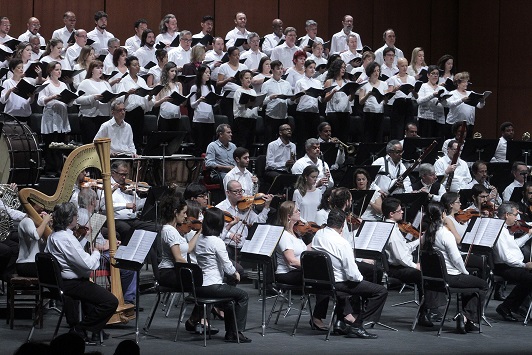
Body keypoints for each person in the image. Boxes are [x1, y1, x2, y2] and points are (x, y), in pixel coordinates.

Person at [45, 202, 118, 344]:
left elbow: (73, 252)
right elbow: (88, 264)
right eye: (75, 216)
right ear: (69, 219)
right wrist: (97, 252)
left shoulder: (54, 236)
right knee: (111, 302)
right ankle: (80, 329)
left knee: (91, 301)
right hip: (72, 284)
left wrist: (85, 238)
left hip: (62, 282)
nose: (77, 219)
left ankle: (95, 331)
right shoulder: (66, 239)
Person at [311, 208, 388, 339]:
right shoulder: (342, 243)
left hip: (322, 282)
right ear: (342, 225)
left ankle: (340, 322)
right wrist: (362, 279)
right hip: (339, 284)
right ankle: (357, 326)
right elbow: (353, 276)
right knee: (380, 291)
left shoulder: (318, 235)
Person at [422, 202, 488, 333]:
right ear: (443, 215)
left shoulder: (426, 234)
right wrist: (465, 272)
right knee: (482, 284)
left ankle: (466, 318)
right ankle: (466, 317)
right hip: (451, 277)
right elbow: (456, 259)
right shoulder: (445, 234)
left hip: (434, 278)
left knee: (470, 285)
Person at [194, 207, 251, 343]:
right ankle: (237, 332)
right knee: (243, 296)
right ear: (219, 223)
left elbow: (219, 238)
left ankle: (230, 334)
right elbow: (227, 265)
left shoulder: (200, 239)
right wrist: (235, 274)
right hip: (213, 286)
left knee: (230, 300)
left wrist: (230, 225)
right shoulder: (216, 242)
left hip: (198, 286)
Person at [157, 193, 208, 334]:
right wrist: (196, 270)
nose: (186, 216)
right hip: (168, 272)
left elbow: (188, 248)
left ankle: (196, 320)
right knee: (206, 284)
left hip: (176, 271)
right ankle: (197, 320)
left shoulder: (174, 230)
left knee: (207, 283)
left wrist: (199, 232)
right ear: (175, 212)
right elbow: (179, 258)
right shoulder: (169, 231)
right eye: (184, 212)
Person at [382, 197, 434, 328]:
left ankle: (428, 310)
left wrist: (420, 240)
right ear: (391, 214)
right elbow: (400, 257)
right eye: (399, 211)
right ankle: (425, 313)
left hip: (400, 264)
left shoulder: (392, 226)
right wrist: (415, 266)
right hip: (397, 268)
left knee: (425, 272)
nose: (402, 212)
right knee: (423, 276)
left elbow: (404, 248)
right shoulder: (392, 232)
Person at [100, 160, 158, 246]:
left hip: (132, 219)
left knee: (154, 227)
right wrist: (125, 205)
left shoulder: (128, 188)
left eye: (126, 175)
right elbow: (104, 207)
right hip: (115, 219)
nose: (124, 177)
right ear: (113, 173)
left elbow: (136, 205)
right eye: (122, 174)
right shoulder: (105, 185)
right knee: (127, 230)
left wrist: (149, 198)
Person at [216, 180, 272, 256]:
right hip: (227, 246)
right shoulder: (219, 208)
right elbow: (214, 230)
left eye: (241, 191)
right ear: (228, 193)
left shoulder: (245, 206)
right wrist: (229, 235)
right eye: (236, 191)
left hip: (244, 247)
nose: (240, 193)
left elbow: (259, 222)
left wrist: (266, 206)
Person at [37, 61, 72, 176]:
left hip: (61, 116)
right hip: (51, 117)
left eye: (60, 69)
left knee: (61, 144)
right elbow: (40, 101)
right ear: (50, 71)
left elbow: (70, 103)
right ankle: (50, 169)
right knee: (50, 144)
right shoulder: (47, 84)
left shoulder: (63, 84)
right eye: (57, 69)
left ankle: (60, 168)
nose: (59, 72)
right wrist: (52, 97)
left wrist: (70, 99)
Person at [115, 55, 154, 150]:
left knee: (139, 137)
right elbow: (118, 99)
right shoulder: (124, 80)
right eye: (134, 65)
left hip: (140, 111)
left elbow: (144, 97)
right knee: (129, 137)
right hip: (129, 113)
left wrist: (149, 96)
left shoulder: (141, 80)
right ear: (128, 67)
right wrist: (128, 93)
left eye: (138, 65)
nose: (137, 67)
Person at [75, 60, 112, 144]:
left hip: (104, 116)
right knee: (90, 142)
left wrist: (112, 99)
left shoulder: (106, 84)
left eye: (101, 68)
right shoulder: (85, 83)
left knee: (102, 143)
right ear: (92, 70)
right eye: (97, 68)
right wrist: (93, 97)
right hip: (89, 117)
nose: (100, 70)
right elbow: (78, 100)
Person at [445, 72, 485, 138]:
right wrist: (462, 100)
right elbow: (449, 104)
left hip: (468, 124)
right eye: (464, 82)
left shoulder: (471, 93)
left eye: (467, 82)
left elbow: (479, 106)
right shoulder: (453, 93)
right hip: (454, 124)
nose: (466, 84)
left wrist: (482, 101)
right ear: (458, 83)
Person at [260, 60, 293, 143]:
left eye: (281, 69)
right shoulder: (266, 84)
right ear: (272, 70)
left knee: (284, 141)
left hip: (283, 116)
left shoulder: (287, 84)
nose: (280, 71)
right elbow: (262, 102)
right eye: (278, 69)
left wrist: (293, 99)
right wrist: (270, 97)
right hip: (271, 117)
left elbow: (289, 102)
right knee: (270, 141)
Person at [323, 59, 353, 144]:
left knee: (344, 137)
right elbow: (325, 99)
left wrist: (353, 93)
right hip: (333, 113)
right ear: (336, 68)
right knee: (335, 137)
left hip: (345, 112)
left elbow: (350, 99)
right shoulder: (330, 82)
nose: (343, 69)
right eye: (341, 67)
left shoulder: (347, 82)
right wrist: (332, 93)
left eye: (344, 67)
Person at [293, 60, 321, 151]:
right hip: (302, 113)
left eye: (314, 68)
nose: (313, 70)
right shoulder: (300, 82)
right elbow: (296, 100)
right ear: (305, 68)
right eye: (310, 67)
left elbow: (320, 99)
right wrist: (301, 93)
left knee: (313, 138)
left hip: (314, 113)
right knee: (302, 138)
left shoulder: (317, 82)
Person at [16, 203, 51, 277]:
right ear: (31, 205)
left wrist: (49, 225)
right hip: (26, 264)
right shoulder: (26, 221)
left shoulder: (38, 224)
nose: (43, 206)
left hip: (34, 263)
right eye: (39, 202)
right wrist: (45, 221)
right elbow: (36, 235)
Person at [387, 57, 417, 140]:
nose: (405, 68)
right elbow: (389, 95)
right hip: (398, 104)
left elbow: (416, 96)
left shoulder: (412, 78)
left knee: (409, 127)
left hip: (409, 103)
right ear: (398, 66)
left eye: (406, 66)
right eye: (402, 66)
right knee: (397, 128)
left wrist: (413, 91)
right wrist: (395, 89)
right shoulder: (393, 78)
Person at [359, 62, 388, 143]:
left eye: (378, 71)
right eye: (374, 71)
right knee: (368, 138)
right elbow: (360, 102)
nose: (376, 73)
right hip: (368, 114)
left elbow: (385, 101)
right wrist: (368, 94)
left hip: (380, 113)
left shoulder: (384, 84)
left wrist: (386, 99)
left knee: (379, 137)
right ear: (370, 72)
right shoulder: (364, 84)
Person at [216, 46, 248, 121]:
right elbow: (218, 83)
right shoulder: (224, 66)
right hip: (228, 98)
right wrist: (227, 80)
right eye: (235, 55)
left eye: (238, 55)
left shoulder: (243, 67)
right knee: (230, 119)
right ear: (229, 56)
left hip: (240, 97)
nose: (237, 57)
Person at [189, 65, 215, 155]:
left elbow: (213, 102)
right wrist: (199, 100)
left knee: (207, 147)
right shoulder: (195, 87)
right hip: (199, 120)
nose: (208, 75)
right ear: (200, 73)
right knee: (199, 146)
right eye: (206, 73)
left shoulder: (211, 87)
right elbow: (192, 105)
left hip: (209, 119)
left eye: (209, 73)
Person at [417, 65, 447, 138]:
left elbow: (447, 104)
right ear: (428, 75)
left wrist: (443, 100)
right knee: (426, 141)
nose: (435, 76)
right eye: (433, 73)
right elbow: (419, 101)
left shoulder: (442, 88)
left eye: (437, 74)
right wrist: (432, 95)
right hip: (426, 119)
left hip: (439, 119)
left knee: (437, 142)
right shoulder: (424, 86)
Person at [232, 70, 259, 150]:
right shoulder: (239, 91)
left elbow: (256, 105)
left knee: (250, 142)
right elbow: (239, 106)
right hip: (241, 120)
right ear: (241, 79)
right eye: (246, 78)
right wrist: (248, 104)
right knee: (242, 142)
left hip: (252, 119)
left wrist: (259, 104)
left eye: (250, 78)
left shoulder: (253, 91)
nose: (249, 80)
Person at [153, 61, 183, 131]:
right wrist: (163, 100)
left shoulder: (178, 85)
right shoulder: (160, 85)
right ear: (166, 72)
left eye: (175, 71)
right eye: (172, 71)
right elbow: (155, 104)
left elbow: (181, 102)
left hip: (176, 116)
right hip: (164, 116)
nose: (174, 73)